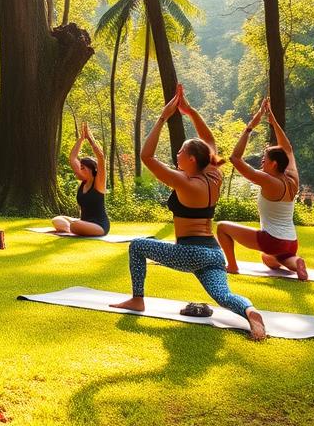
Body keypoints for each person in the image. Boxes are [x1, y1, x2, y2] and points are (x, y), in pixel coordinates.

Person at [111, 85, 266, 340]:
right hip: (214, 253)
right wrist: (190, 112)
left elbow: (146, 156)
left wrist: (163, 117)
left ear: (193, 159)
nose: (177, 154)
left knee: (137, 246)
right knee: (223, 296)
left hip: (190, 252)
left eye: (182, 151)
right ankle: (250, 312)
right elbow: (210, 142)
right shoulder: (213, 174)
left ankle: (137, 299)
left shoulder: (185, 183)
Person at [217, 98, 307, 280]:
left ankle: (232, 266)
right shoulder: (292, 177)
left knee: (222, 227)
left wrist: (250, 127)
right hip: (291, 242)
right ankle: (295, 262)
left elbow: (235, 158)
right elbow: (287, 149)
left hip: (272, 240)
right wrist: (273, 122)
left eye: (264, 159)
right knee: (268, 259)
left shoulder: (268, 180)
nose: (262, 162)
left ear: (274, 164)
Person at [52, 121, 109, 236]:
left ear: (91, 169)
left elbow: (101, 158)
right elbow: (73, 158)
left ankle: (74, 229)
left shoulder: (99, 183)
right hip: (84, 223)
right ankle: (73, 229)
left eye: (82, 167)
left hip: (99, 226)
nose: (78, 170)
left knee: (75, 225)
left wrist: (90, 139)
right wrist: (81, 139)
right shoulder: (84, 182)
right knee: (57, 219)